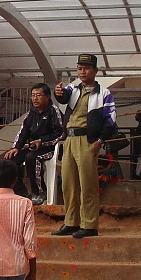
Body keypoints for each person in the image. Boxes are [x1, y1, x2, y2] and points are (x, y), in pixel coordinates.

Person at [52, 54, 116, 239]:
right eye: (79, 68)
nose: (82, 71)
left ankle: (89, 225)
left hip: (88, 141)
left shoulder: (104, 93)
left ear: (95, 71)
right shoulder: (73, 88)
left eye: (86, 68)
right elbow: (64, 98)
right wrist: (58, 92)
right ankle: (71, 222)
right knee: (68, 183)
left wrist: (100, 141)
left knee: (88, 184)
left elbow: (111, 121)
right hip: (70, 139)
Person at [4, 83, 65, 205]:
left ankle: (39, 192)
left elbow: (61, 133)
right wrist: (16, 148)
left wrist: (42, 142)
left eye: (38, 95)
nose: (35, 98)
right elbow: (23, 132)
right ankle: (21, 192)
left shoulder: (54, 111)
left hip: (51, 148)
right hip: (33, 147)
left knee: (32, 157)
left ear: (47, 97)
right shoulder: (31, 113)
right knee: (11, 159)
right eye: (33, 95)